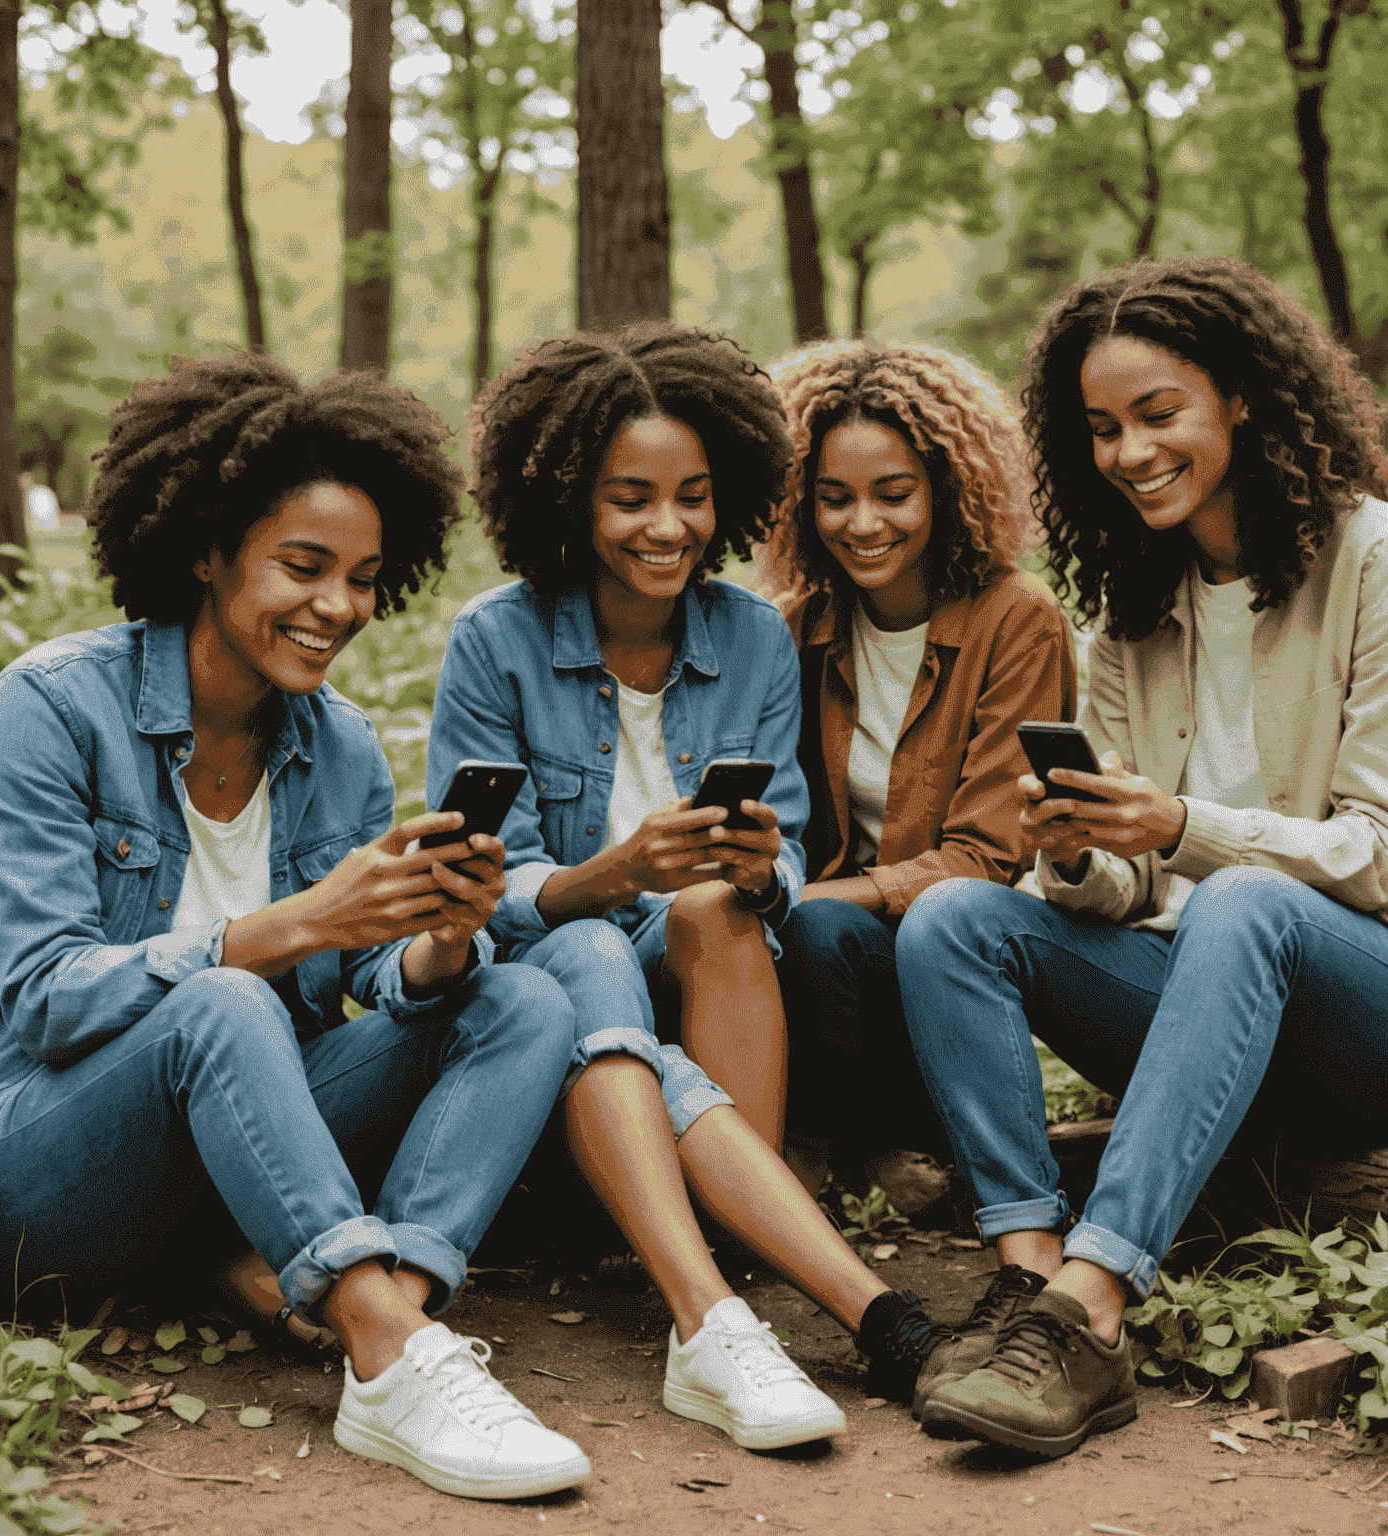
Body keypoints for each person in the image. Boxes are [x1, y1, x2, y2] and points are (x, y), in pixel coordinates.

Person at [0, 353, 592, 1502]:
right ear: (205, 550)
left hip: (220, 1148)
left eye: (363, 577)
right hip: (12, 1170)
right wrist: (286, 925)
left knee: (520, 996)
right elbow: (50, 1002)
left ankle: (389, 1300)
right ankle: (388, 1351)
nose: (338, 607)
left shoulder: (335, 744)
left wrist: (439, 938)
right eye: (303, 567)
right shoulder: (52, 710)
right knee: (225, 996)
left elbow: (371, 976)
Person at [428, 323, 955, 1447]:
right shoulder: (496, 640)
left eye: (693, 496)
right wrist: (608, 876)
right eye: (630, 498)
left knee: (715, 909)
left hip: (706, 970)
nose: (666, 527)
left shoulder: (754, 638)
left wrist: (766, 873)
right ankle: (800, 1301)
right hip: (557, 978)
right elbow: (490, 887)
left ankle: (723, 1251)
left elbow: (790, 851)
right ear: (569, 498)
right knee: (596, 944)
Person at [896, 256, 1388, 1457]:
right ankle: (1028, 1276)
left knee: (1247, 905)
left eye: (1157, 415)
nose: (1129, 453)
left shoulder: (1373, 558)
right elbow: (1128, 889)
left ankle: (1095, 1306)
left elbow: (1377, 859)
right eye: (1101, 429)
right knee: (953, 919)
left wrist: (1180, 827)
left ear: (1245, 398)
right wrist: (1076, 855)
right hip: (1206, 998)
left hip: (1356, 1004)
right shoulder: (1129, 598)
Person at [754, 340, 1074, 1230]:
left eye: (893, 494)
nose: (863, 523)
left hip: (942, 961)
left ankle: (836, 1152)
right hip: (814, 974)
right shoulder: (797, 628)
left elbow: (986, 856)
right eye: (834, 497)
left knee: (817, 919)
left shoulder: (1018, 619)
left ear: (947, 490)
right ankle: (814, 1151)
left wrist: (814, 894)